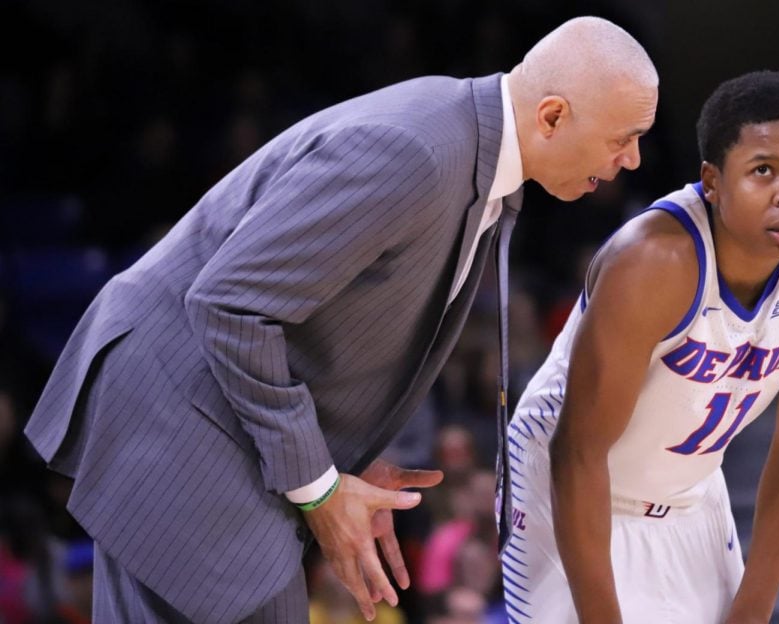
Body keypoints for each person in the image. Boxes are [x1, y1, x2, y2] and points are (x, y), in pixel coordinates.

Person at [23, 15, 658, 624]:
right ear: (552, 116)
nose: (631, 161)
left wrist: (343, 466)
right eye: (623, 137)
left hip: (217, 424)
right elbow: (229, 305)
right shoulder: (416, 151)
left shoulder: (471, 150)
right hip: (176, 419)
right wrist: (319, 485)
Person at [500, 70, 779, 623]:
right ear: (712, 181)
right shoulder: (652, 263)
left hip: (692, 492)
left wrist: (754, 607)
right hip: (566, 484)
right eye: (763, 171)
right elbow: (577, 454)